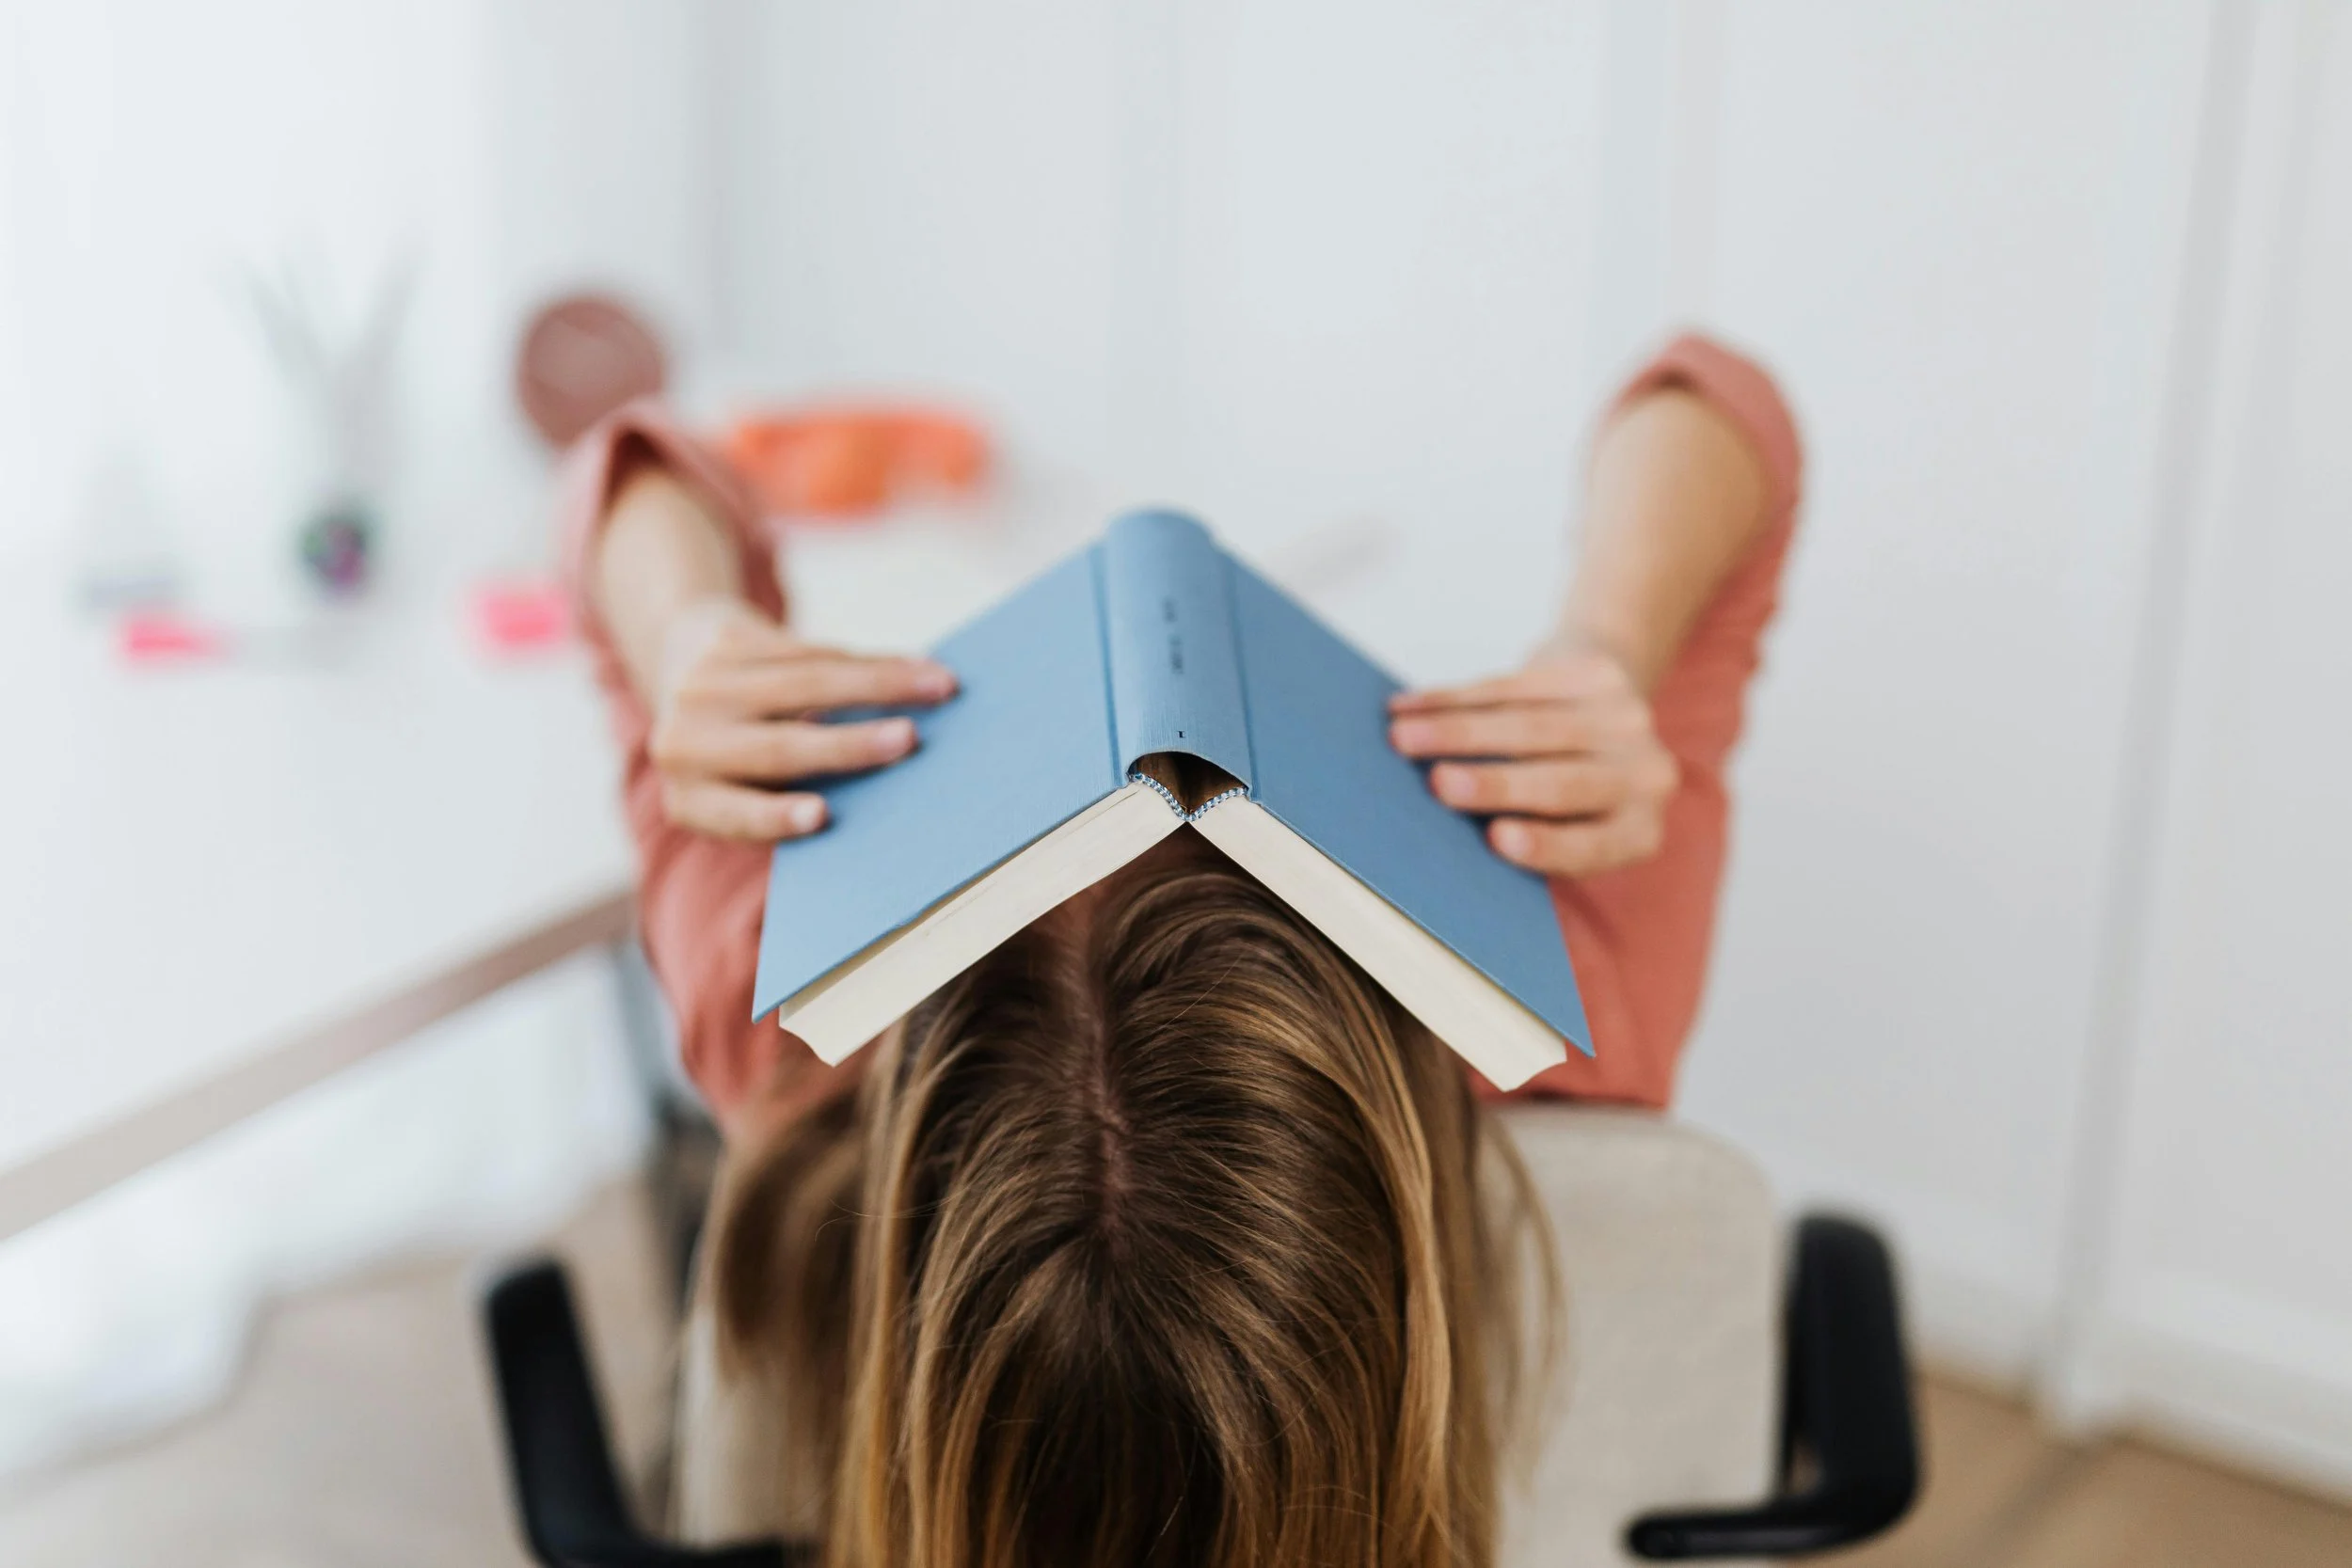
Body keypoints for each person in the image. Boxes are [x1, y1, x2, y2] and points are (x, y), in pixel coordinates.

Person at [561, 333, 1800, 1563]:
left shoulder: (792, 1008)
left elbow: (631, 471)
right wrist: (1607, 647)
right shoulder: (1561, 982)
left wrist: (688, 636)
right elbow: (1717, 402)